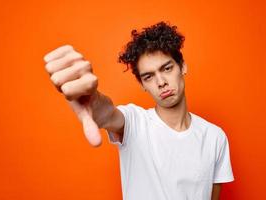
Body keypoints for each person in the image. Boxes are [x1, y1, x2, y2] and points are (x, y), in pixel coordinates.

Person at [43, 21, 234, 200]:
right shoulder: (136, 122)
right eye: (149, 76)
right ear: (142, 84)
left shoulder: (215, 137)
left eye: (167, 68)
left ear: (182, 66)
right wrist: (92, 100)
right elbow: (107, 113)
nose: (161, 82)